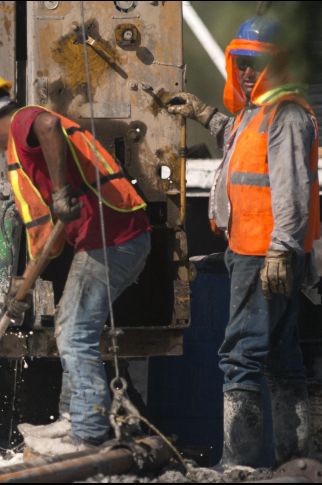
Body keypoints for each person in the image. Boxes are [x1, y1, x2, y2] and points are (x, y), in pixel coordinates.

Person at [0, 70, 151, 449]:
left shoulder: (24, 120)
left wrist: (61, 191)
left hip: (113, 238)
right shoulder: (20, 148)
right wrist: (22, 288)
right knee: (70, 326)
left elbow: (47, 125)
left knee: (75, 332)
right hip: (109, 239)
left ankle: (87, 431)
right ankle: (72, 417)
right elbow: (47, 239)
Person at [166, 16, 319, 467]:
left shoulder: (286, 115)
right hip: (255, 252)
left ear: (277, 64)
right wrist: (203, 113)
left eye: (256, 63)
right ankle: (295, 462)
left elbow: (292, 189)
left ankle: (241, 465)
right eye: (241, 63)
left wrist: (281, 249)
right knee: (281, 357)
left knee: (241, 356)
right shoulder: (256, 115)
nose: (247, 72)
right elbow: (236, 141)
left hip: (263, 254)